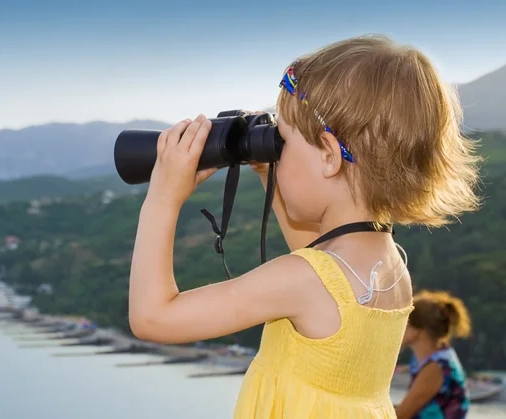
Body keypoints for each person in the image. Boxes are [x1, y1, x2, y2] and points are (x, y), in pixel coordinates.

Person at [127, 34, 481, 418]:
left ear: (330, 156)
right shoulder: (390, 264)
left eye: (282, 142)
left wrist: (163, 197)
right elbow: (319, 260)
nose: (276, 153)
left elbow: (152, 318)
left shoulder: (303, 279)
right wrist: (268, 173)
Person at [395, 290, 472, 419]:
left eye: (403, 322)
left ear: (418, 330)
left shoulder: (436, 368)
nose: (396, 328)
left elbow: (401, 415)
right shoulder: (439, 358)